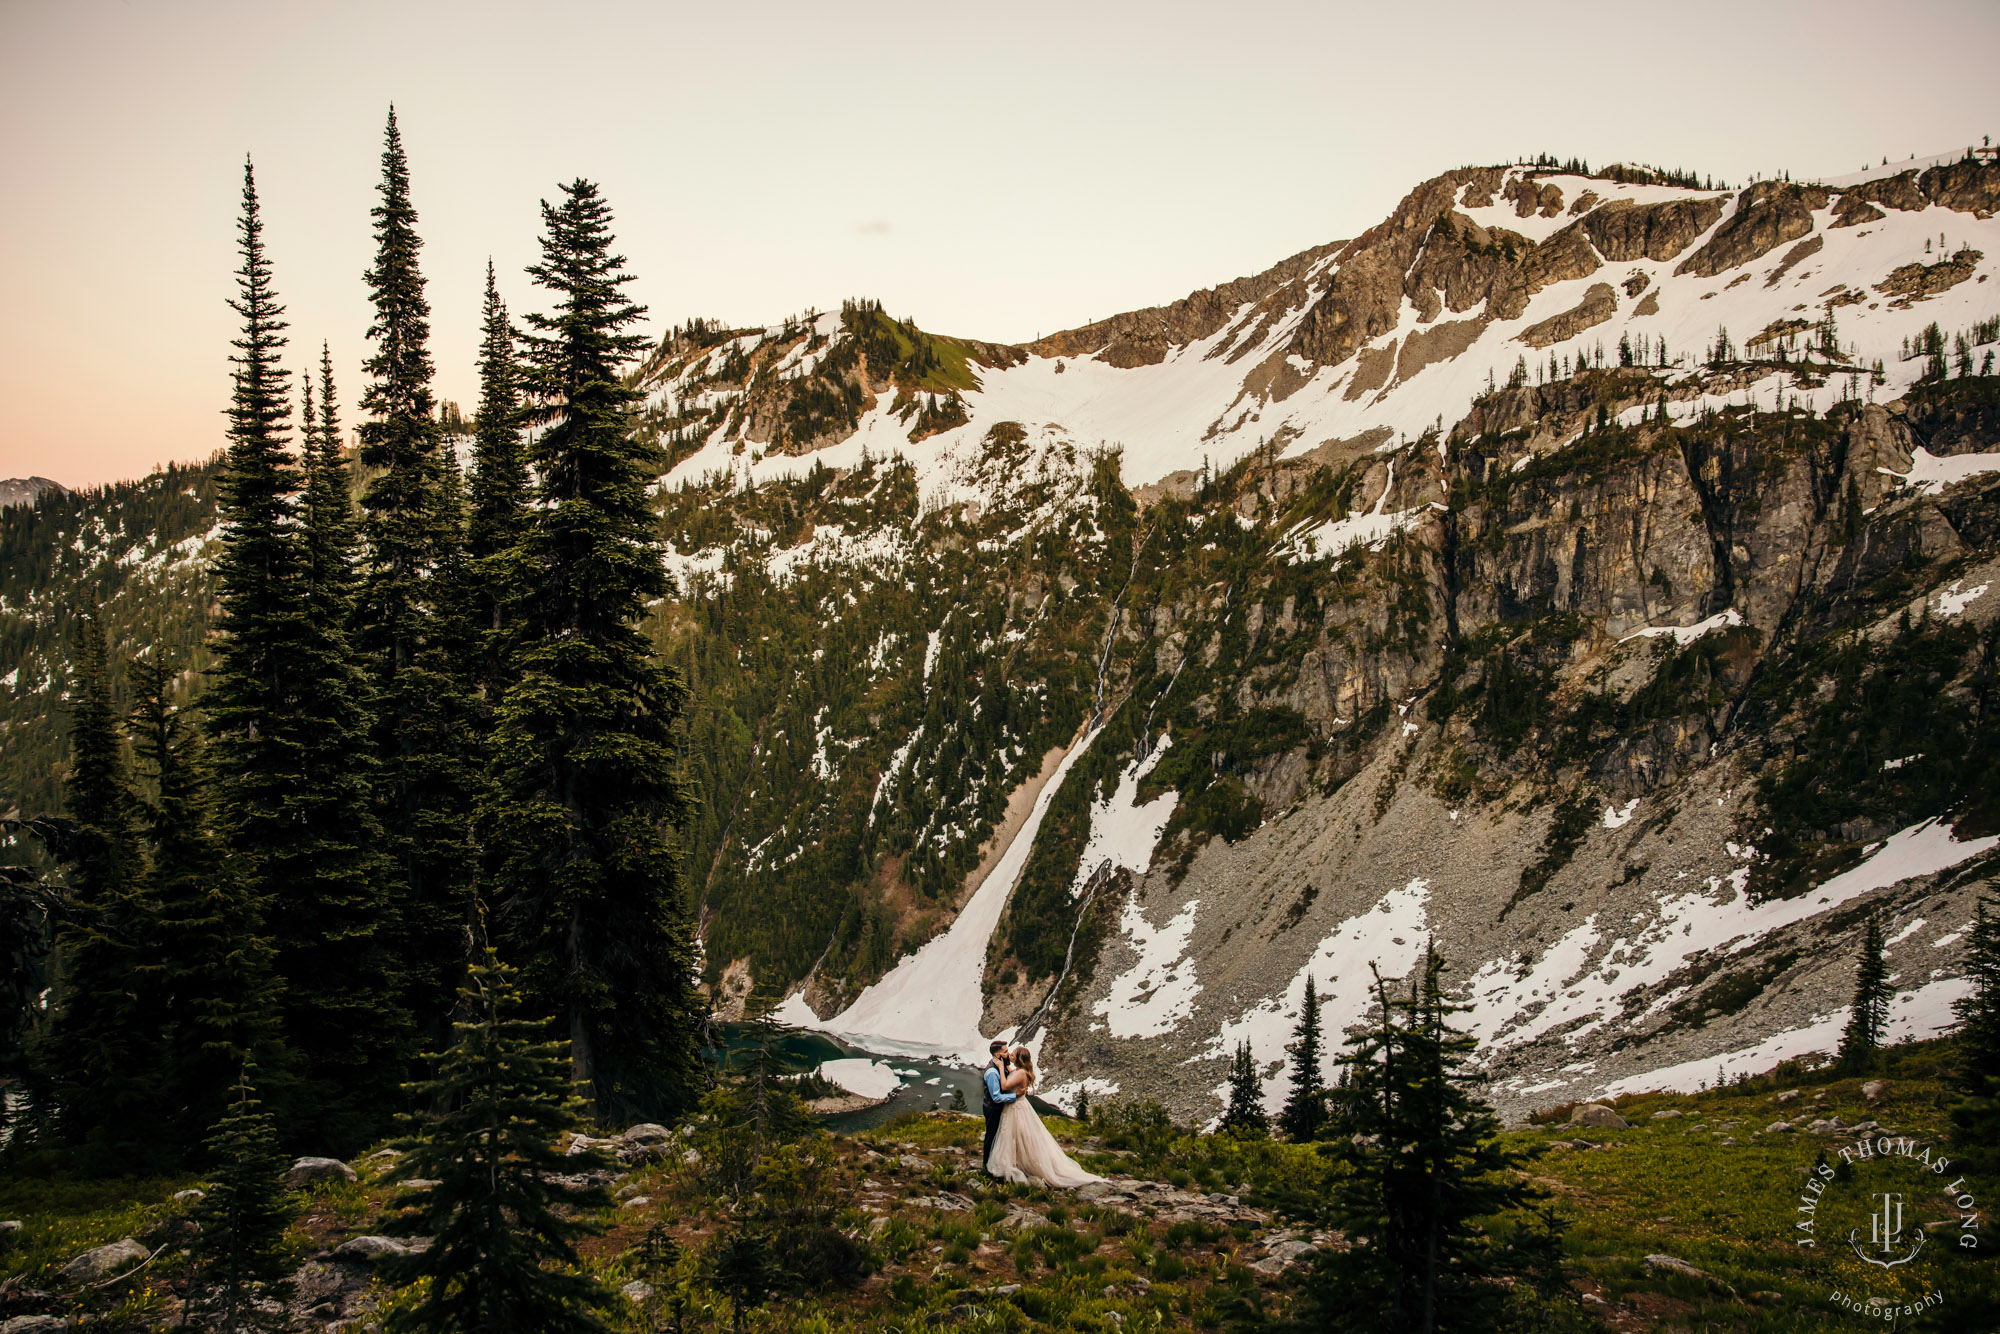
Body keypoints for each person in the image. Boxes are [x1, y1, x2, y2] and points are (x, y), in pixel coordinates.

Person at [985, 1045, 1103, 1188]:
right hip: (1014, 1107)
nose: (1009, 1054)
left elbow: (1004, 1086)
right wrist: (1005, 1067)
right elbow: (1012, 1074)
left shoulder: (1020, 1073)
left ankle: (1022, 1164)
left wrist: (999, 1065)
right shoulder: (1018, 1071)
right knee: (1013, 1136)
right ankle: (1017, 1161)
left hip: (1016, 1108)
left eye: (1013, 1053)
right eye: (1008, 1052)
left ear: (1018, 1058)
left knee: (1017, 1135)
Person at [980, 1038, 1016, 1172]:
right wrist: (1015, 1097)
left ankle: (996, 1162)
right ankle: (986, 1165)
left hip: (998, 1108)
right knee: (992, 1135)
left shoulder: (1000, 1066)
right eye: (1006, 1052)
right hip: (993, 1109)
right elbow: (996, 1097)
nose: (1008, 1053)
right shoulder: (992, 1073)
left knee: (999, 1136)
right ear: (997, 1055)